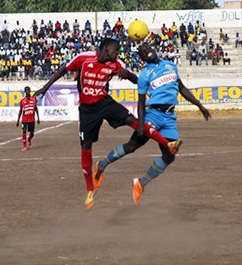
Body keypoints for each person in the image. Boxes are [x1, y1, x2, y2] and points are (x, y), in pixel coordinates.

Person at [33, 38, 180, 209]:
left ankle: (168, 144)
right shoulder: (84, 58)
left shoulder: (115, 63)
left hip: (105, 103)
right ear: (105, 49)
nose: (117, 53)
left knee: (134, 121)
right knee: (86, 147)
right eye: (115, 50)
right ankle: (90, 188)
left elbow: (136, 80)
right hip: (87, 110)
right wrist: (45, 88)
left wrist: (129, 75)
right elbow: (62, 70)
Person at [92, 44, 211, 206]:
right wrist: (141, 124)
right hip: (153, 114)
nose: (147, 51)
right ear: (141, 58)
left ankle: (141, 183)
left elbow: (182, 88)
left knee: (169, 156)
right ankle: (102, 164)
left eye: (148, 48)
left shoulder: (171, 66)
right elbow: (141, 101)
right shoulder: (145, 75)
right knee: (132, 146)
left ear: (155, 50)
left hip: (169, 117)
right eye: (142, 52)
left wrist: (199, 105)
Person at [16, 86, 40, 151]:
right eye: (26, 90)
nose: (27, 91)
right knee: (24, 131)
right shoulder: (22, 101)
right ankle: (25, 146)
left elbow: (35, 108)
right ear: (24, 92)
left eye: (28, 90)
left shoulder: (34, 99)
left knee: (32, 133)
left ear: (30, 91)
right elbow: (20, 110)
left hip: (32, 119)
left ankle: (29, 140)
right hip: (24, 119)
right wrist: (18, 120)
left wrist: (38, 118)